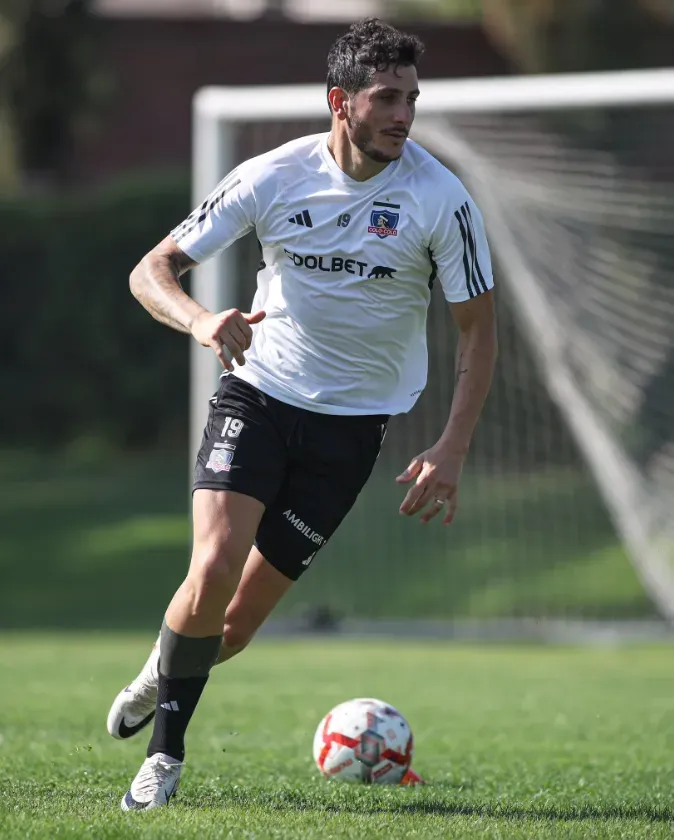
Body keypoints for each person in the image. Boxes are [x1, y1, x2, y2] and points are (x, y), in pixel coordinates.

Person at [111, 17, 497, 811]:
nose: (403, 114)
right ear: (340, 101)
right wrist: (200, 321)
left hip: (351, 433)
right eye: (386, 97)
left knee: (237, 628)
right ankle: (164, 758)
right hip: (257, 394)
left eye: (411, 99)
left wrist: (453, 447)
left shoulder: (439, 198)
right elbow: (152, 270)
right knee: (212, 568)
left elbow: (478, 331)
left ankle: (163, 668)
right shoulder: (273, 176)